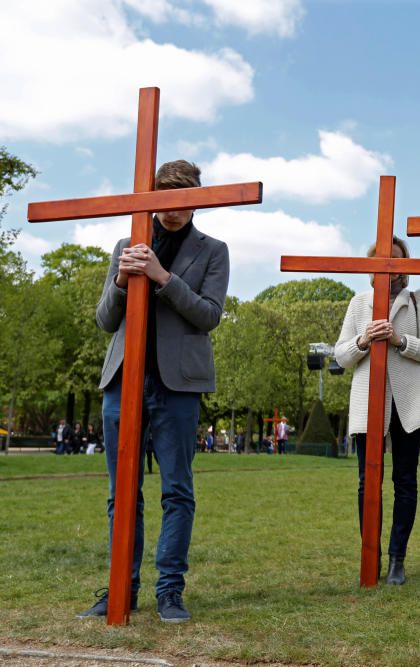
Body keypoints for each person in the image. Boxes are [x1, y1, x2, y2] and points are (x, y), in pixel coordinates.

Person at [79, 160, 229, 623]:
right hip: (123, 382)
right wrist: (124, 280)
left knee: (177, 491)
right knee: (120, 493)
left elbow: (208, 316)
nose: (173, 209)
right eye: (166, 196)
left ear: (196, 200)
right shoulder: (126, 244)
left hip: (178, 386)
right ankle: (120, 588)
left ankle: (170, 591)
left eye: (183, 200)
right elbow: (106, 320)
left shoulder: (214, 250)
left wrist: (163, 277)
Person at [335, 235, 420, 586]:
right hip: (370, 401)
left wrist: (399, 340)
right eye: (382, 258)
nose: (389, 265)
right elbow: (341, 356)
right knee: (368, 483)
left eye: (396, 259)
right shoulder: (359, 303)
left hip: (409, 401)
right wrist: (363, 340)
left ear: (405, 263)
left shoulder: (418, 301)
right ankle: (371, 555)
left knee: (405, 482)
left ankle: (398, 559)